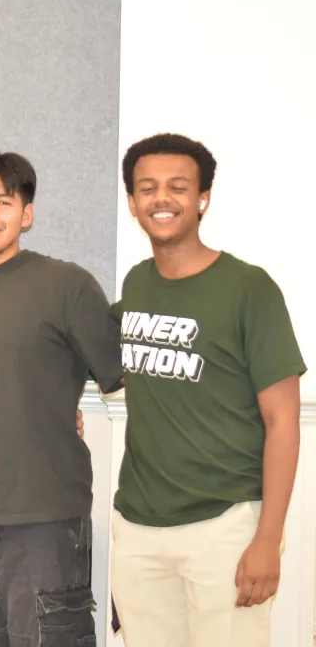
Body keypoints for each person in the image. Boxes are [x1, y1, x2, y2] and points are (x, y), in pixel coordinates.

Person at [0, 149, 122, 646]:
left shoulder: (67, 285)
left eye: (4, 202)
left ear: (26, 215)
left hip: (46, 520)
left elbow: (122, 379)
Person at [109, 134, 305, 646]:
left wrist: (268, 538)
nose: (161, 198)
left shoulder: (249, 288)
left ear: (203, 199)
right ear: (132, 202)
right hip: (138, 529)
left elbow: (283, 419)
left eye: (178, 186)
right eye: (147, 188)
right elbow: (79, 345)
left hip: (225, 526)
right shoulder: (136, 284)